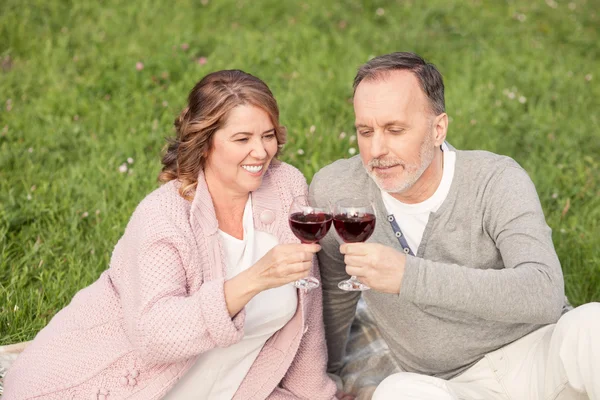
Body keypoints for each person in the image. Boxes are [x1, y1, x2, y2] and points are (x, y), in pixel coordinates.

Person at [4, 70, 338, 399]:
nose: (262, 152)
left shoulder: (285, 187)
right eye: (242, 139)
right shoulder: (163, 214)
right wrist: (253, 280)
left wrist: (316, 395)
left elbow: (307, 315)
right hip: (103, 385)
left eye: (268, 136)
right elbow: (154, 334)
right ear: (204, 143)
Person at [310, 52, 600, 399]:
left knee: (592, 324)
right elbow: (334, 294)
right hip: (452, 385)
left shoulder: (495, 180)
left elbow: (544, 292)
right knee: (397, 392)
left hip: (538, 357)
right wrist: (324, 380)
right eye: (365, 131)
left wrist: (409, 277)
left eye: (395, 130)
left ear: (438, 128)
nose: (375, 150)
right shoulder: (337, 190)